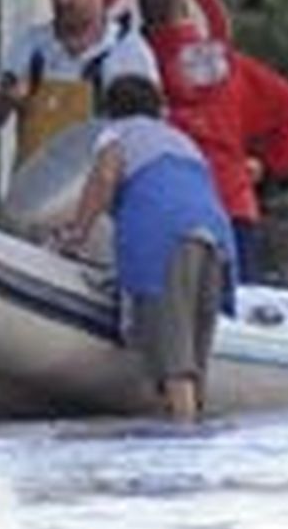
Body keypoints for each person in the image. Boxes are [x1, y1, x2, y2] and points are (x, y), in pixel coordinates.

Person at [57, 75, 237, 423]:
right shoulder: (181, 140)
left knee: (174, 362)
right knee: (196, 357)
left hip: (162, 234)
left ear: (108, 111)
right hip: (216, 234)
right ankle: (196, 428)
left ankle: (180, 441)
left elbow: (105, 178)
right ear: (159, 108)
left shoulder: (116, 134)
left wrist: (77, 234)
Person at [138, 0, 288, 283]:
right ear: (187, 12)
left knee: (172, 310)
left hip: (165, 205)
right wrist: (269, 164)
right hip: (231, 199)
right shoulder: (230, 65)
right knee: (241, 305)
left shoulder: (138, 66)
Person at [0, 0, 159, 165]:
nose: (61, 0)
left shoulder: (129, 51)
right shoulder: (30, 46)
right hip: (35, 189)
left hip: (99, 186)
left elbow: (148, 133)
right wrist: (5, 99)